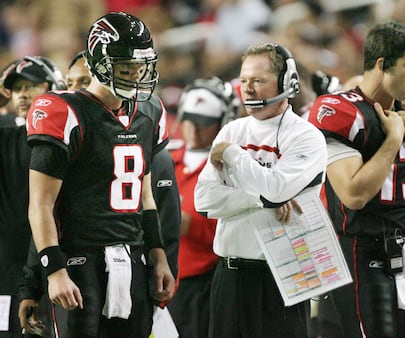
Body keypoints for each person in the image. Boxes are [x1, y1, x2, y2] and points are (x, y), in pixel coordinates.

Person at [25, 12, 175, 338]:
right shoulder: (63, 111)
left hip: (133, 254)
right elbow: (40, 204)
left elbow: (145, 195)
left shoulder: (149, 112)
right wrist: (53, 270)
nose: (136, 75)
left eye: (140, 66)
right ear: (99, 62)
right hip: (80, 257)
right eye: (125, 67)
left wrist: (158, 255)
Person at [307, 21, 405, 337]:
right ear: (382, 65)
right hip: (361, 249)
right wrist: (393, 140)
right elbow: (353, 194)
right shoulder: (340, 111)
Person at [194, 42, 327, 338]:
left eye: (258, 80)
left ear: (287, 83)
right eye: (244, 80)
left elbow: (274, 189)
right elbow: (203, 200)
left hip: (283, 275)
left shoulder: (307, 137)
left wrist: (231, 154)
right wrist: (258, 199)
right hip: (229, 275)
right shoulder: (232, 130)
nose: (248, 89)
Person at [0, 56, 66, 338]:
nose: (23, 94)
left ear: (55, 87)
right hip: (7, 271)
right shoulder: (5, 139)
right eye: (17, 88)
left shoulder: (71, 139)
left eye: (32, 85)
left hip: (57, 267)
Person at [167, 76, 237, 338]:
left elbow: (225, 229)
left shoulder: (230, 168)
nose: (194, 129)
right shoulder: (164, 159)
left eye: (203, 123)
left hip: (203, 282)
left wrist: (181, 220)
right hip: (163, 278)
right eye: (189, 119)